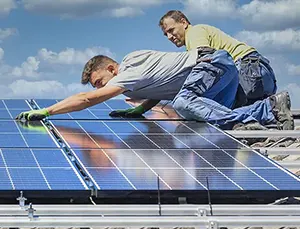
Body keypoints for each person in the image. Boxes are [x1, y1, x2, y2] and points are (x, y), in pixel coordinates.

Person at [15, 48, 294, 131]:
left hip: (211, 64)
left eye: (101, 81)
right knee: (204, 117)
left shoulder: (128, 70)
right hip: (215, 71)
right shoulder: (137, 71)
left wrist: (48, 111)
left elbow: (88, 99)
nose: (104, 88)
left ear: (112, 69)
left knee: (184, 104)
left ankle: (259, 113)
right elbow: (162, 84)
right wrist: (140, 109)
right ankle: (270, 108)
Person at [158, 10, 277, 106]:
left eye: (171, 30)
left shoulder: (194, 32)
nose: (169, 37)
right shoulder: (196, 36)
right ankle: (275, 107)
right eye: (165, 34)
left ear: (183, 23)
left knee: (209, 106)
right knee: (252, 116)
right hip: (262, 73)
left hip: (248, 70)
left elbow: (203, 62)